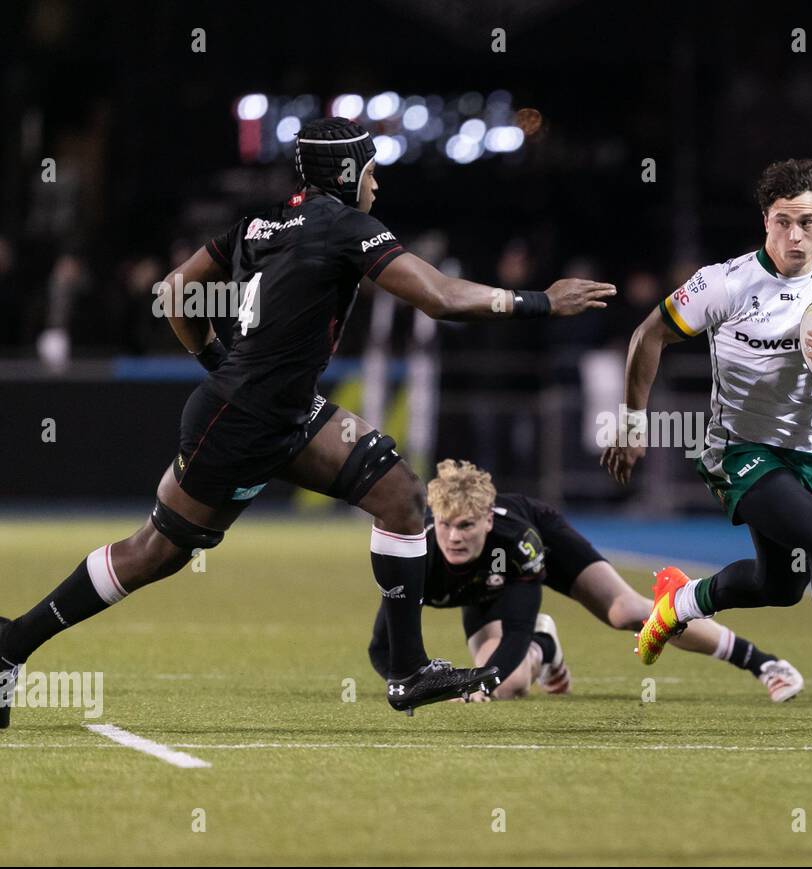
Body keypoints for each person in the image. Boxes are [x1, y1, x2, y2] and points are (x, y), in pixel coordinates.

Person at [0, 117, 616, 726]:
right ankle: (12, 644)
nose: (377, 184)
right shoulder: (346, 225)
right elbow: (441, 297)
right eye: (372, 170)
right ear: (349, 171)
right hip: (241, 419)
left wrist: (215, 360)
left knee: (398, 491)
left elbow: (174, 289)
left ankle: (407, 671)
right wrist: (542, 302)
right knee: (154, 553)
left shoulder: (261, 224)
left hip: (285, 409)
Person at [601, 158, 812, 724]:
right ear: (765, 219)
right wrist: (633, 421)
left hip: (806, 453)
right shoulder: (726, 282)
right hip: (737, 450)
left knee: (781, 584)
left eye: (807, 222)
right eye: (783, 221)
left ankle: (677, 603)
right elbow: (648, 334)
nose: (794, 236)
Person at [368, 460, 805, 702]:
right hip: (484, 585)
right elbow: (382, 648)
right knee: (512, 686)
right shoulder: (417, 555)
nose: (453, 537)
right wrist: (446, 687)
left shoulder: (518, 541)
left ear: (486, 518)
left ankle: (762, 663)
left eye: (465, 525)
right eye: (445, 525)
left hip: (540, 551)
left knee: (628, 612)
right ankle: (550, 650)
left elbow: (517, 627)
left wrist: (476, 681)